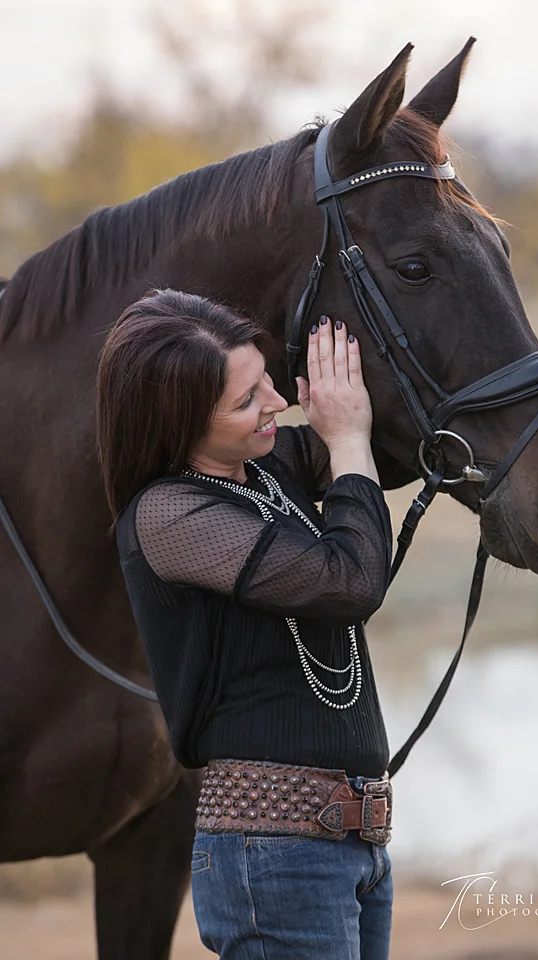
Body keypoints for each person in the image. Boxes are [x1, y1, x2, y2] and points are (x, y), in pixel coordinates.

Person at [96, 288, 396, 960]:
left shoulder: (265, 469)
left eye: (265, 379)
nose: (276, 404)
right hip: (274, 855)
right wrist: (346, 439)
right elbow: (350, 581)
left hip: (352, 841)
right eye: (245, 401)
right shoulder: (168, 517)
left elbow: (391, 451)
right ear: (176, 427)